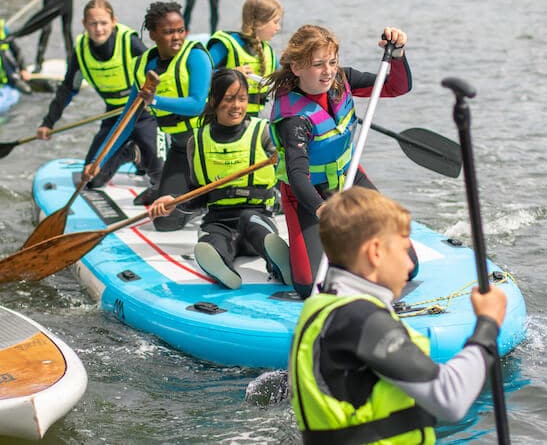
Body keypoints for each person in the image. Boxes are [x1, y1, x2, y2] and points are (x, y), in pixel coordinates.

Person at [290, 187, 508, 443]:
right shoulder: (359, 318)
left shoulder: (320, 306)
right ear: (376, 252)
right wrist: (488, 324)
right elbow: (451, 398)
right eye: (404, 249)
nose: (409, 264)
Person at [268, 24, 414, 299]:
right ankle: (279, 259)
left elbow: (397, 87)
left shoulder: (341, 80)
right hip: (307, 196)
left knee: (408, 266)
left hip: (349, 178)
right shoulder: (294, 120)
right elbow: (298, 178)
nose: (328, 71)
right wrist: (325, 211)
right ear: (297, 67)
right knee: (310, 286)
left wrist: (398, 55)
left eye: (332, 62)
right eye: (318, 64)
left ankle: (349, 247)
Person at [148, 69, 290, 289]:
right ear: (214, 101)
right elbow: (197, 196)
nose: (237, 106)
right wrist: (172, 202)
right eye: (229, 99)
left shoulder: (263, 132)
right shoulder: (197, 141)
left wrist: (285, 156)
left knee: (253, 223)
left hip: (257, 215)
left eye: (242, 99)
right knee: (213, 239)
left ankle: (278, 262)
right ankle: (220, 265)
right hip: (218, 220)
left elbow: (289, 170)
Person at [86, 1, 212, 231]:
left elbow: (196, 105)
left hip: (208, 147)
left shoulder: (195, 57)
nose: (177, 37)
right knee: (163, 222)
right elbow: (126, 122)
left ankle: (207, 201)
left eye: (180, 30)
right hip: (180, 149)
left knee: (218, 206)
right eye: (168, 32)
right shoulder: (144, 66)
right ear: (153, 34)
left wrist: (154, 100)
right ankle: (197, 203)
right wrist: (99, 161)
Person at [36, 0, 163, 195]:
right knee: (90, 180)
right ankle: (130, 152)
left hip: (143, 114)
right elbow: (68, 88)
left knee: (159, 178)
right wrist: (48, 122)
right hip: (113, 116)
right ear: (84, 25)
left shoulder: (129, 42)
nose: (99, 28)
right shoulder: (81, 51)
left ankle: (142, 154)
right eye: (93, 23)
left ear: (113, 21)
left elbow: (158, 70)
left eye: (103, 23)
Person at [206, 0, 282, 117]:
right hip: (222, 119)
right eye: (275, 22)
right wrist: (231, 74)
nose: (278, 28)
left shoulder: (268, 52)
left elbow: (284, 77)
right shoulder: (225, 45)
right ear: (259, 23)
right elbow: (198, 76)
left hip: (252, 122)